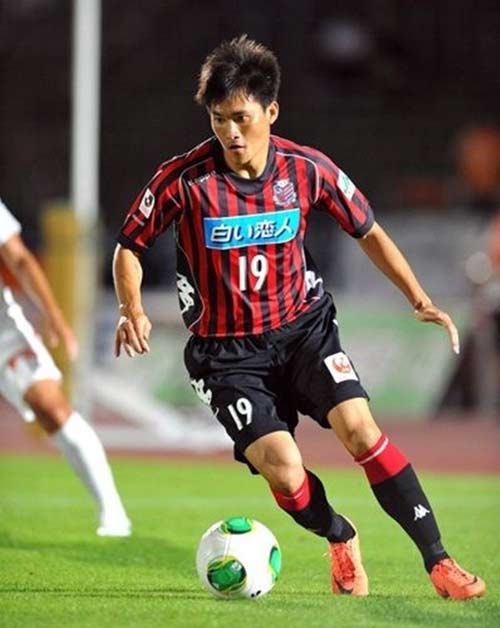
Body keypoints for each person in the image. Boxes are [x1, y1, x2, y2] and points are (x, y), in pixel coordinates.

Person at [113, 35, 484, 598]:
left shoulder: (307, 169)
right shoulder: (184, 180)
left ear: (271, 111)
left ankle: (440, 562)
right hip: (226, 355)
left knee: (361, 430)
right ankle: (339, 535)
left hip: (303, 332)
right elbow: (129, 246)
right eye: (218, 120)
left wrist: (418, 297)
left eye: (241, 118)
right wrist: (131, 307)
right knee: (285, 472)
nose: (231, 133)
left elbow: (368, 230)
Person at [0, 198, 131, 537]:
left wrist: (54, 317)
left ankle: (113, 512)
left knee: (52, 407)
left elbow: (19, 258)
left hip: (3, 334)